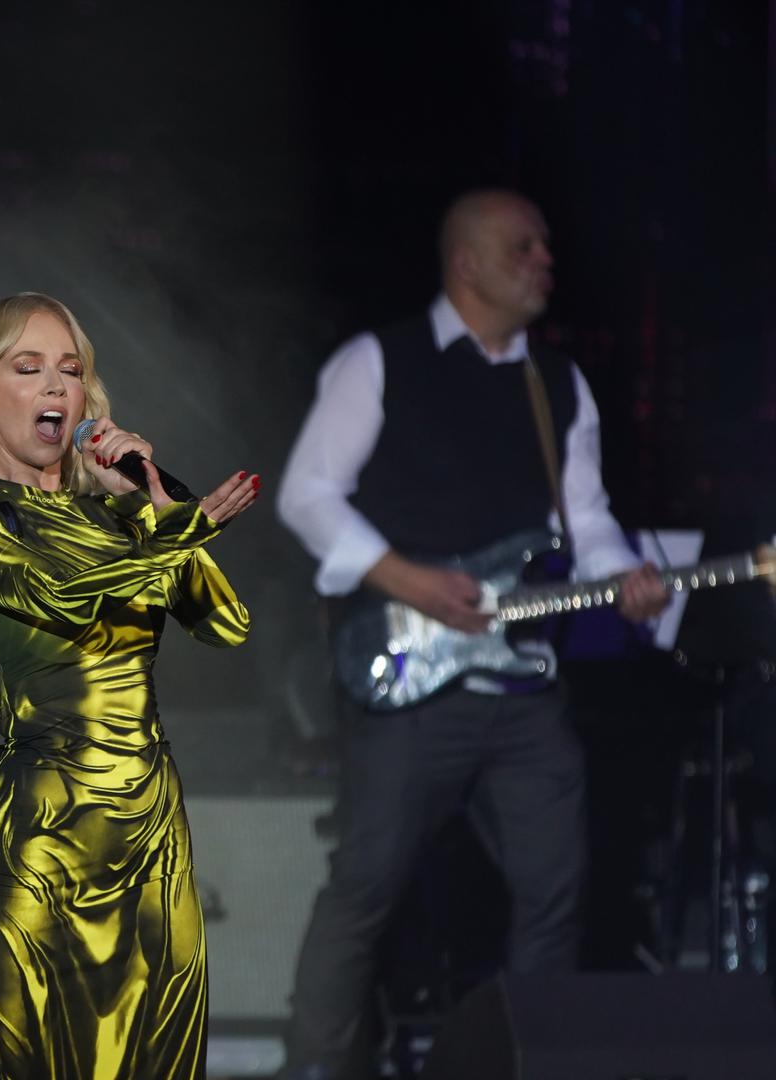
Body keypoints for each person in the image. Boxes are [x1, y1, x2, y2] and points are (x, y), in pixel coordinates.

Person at [273, 190, 671, 1079]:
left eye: (545, 246)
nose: (545, 261)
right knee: (367, 886)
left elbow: (585, 517)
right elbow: (306, 495)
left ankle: (533, 1065)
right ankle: (314, 1066)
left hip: (525, 689)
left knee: (554, 892)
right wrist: (408, 578)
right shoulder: (379, 361)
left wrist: (624, 577)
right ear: (466, 264)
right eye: (523, 248)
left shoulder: (558, 383)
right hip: (408, 676)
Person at [0, 292, 259, 1078]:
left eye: (69, 371)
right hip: (43, 836)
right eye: (27, 367)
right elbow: (62, 596)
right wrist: (187, 527)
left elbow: (226, 623)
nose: (54, 386)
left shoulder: (115, 519)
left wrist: (151, 503)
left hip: (148, 836)